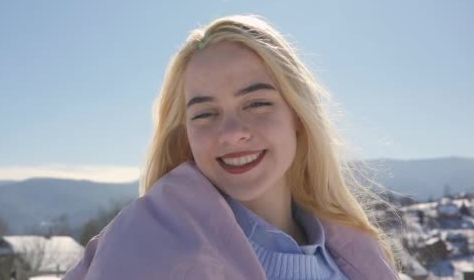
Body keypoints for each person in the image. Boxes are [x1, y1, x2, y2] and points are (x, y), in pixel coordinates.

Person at [63, 15, 400, 279]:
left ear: (298, 114)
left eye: (256, 103)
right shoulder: (145, 254)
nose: (232, 133)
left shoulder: (355, 254)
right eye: (205, 113)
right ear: (185, 136)